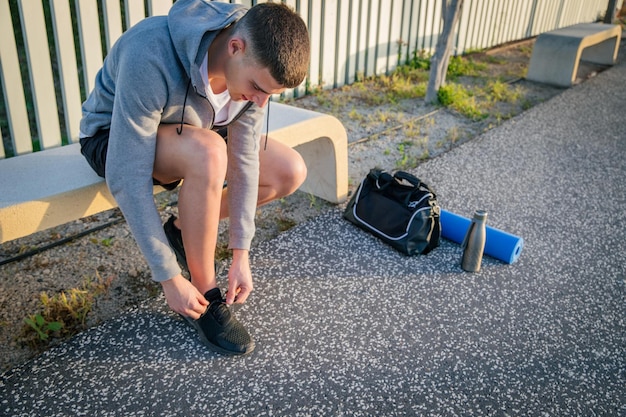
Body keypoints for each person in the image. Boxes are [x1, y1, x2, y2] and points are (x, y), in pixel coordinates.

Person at [78, 0, 310, 356]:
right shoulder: (150, 51)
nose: (260, 103)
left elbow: (246, 160)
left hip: (195, 129)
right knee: (209, 152)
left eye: (270, 95)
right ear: (235, 47)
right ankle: (205, 295)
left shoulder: (248, 66)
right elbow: (126, 175)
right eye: (258, 88)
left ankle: (183, 230)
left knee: (287, 171)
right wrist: (169, 278)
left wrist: (240, 252)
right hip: (116, 138)